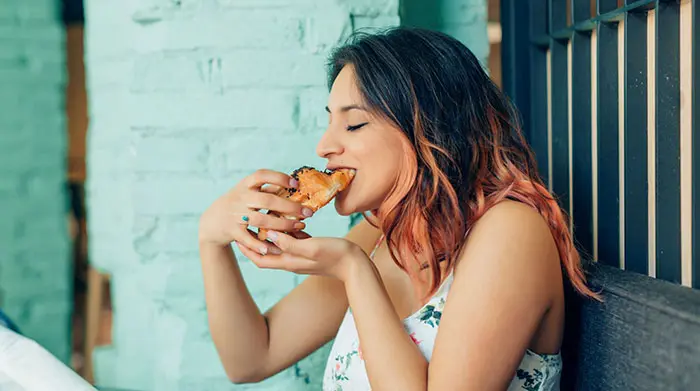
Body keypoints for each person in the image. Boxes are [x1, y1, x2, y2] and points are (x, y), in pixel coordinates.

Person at [198, 27, 598, 391]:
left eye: (353, 125)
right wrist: (211, 240)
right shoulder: (379, 237)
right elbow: (251, 358)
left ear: (428, 127)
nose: (324, 147)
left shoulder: (511, 232)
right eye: (329, 123)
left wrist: (354, 270)